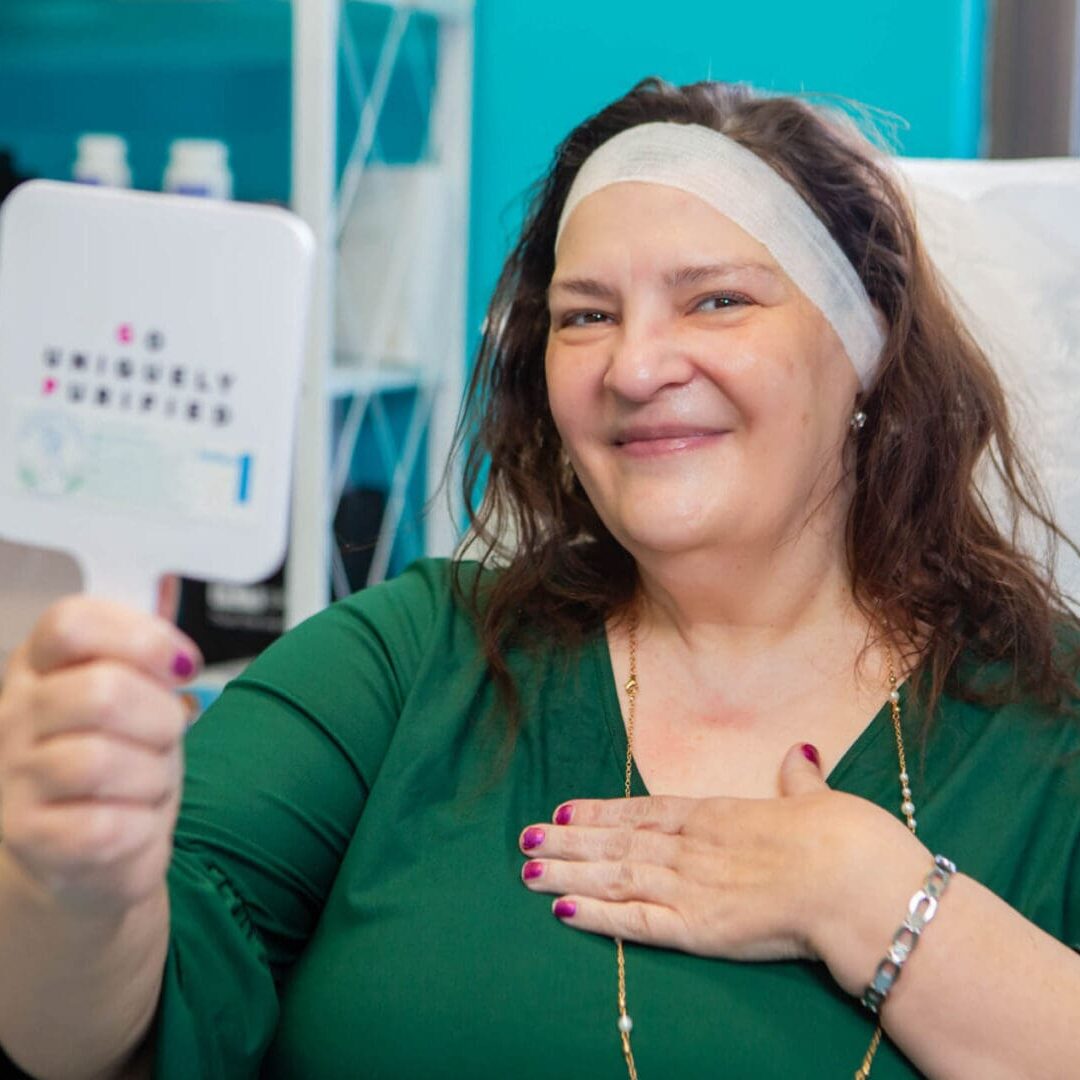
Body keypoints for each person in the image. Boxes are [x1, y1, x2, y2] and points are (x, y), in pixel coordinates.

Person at [1, 76, 1079, 1080]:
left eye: (717, 302)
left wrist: (865, 898)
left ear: (869, 340)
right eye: (586, 315)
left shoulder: (1049, 722)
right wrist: (74, 890)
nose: (636, 366)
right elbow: (88, 1031)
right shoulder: (409, 663)